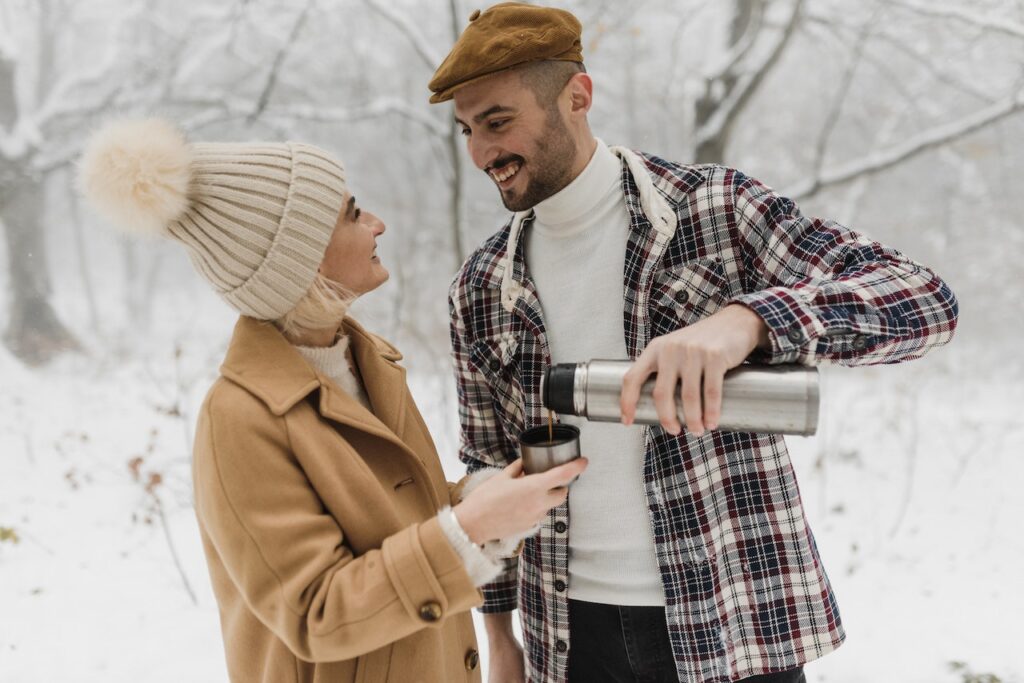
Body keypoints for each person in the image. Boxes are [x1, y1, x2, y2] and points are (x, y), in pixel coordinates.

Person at [430, 4, 959, 683]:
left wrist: (747, 322)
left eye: (498, 121)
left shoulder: (716, 211)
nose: (481, 153)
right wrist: (499, 640)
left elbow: (923, 298)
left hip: (729, 620)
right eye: (468, 129)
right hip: (567, 639)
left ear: (577, 97)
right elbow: (487, 468)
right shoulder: (479, 287)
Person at [77, 118, 588, 683]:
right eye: (352, 214)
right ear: (302, 259)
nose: (377, 224)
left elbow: (390, 527)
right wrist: (465, 531)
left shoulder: (369, 364)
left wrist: (480, 498)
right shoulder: (239, 419)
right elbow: (317, 613)